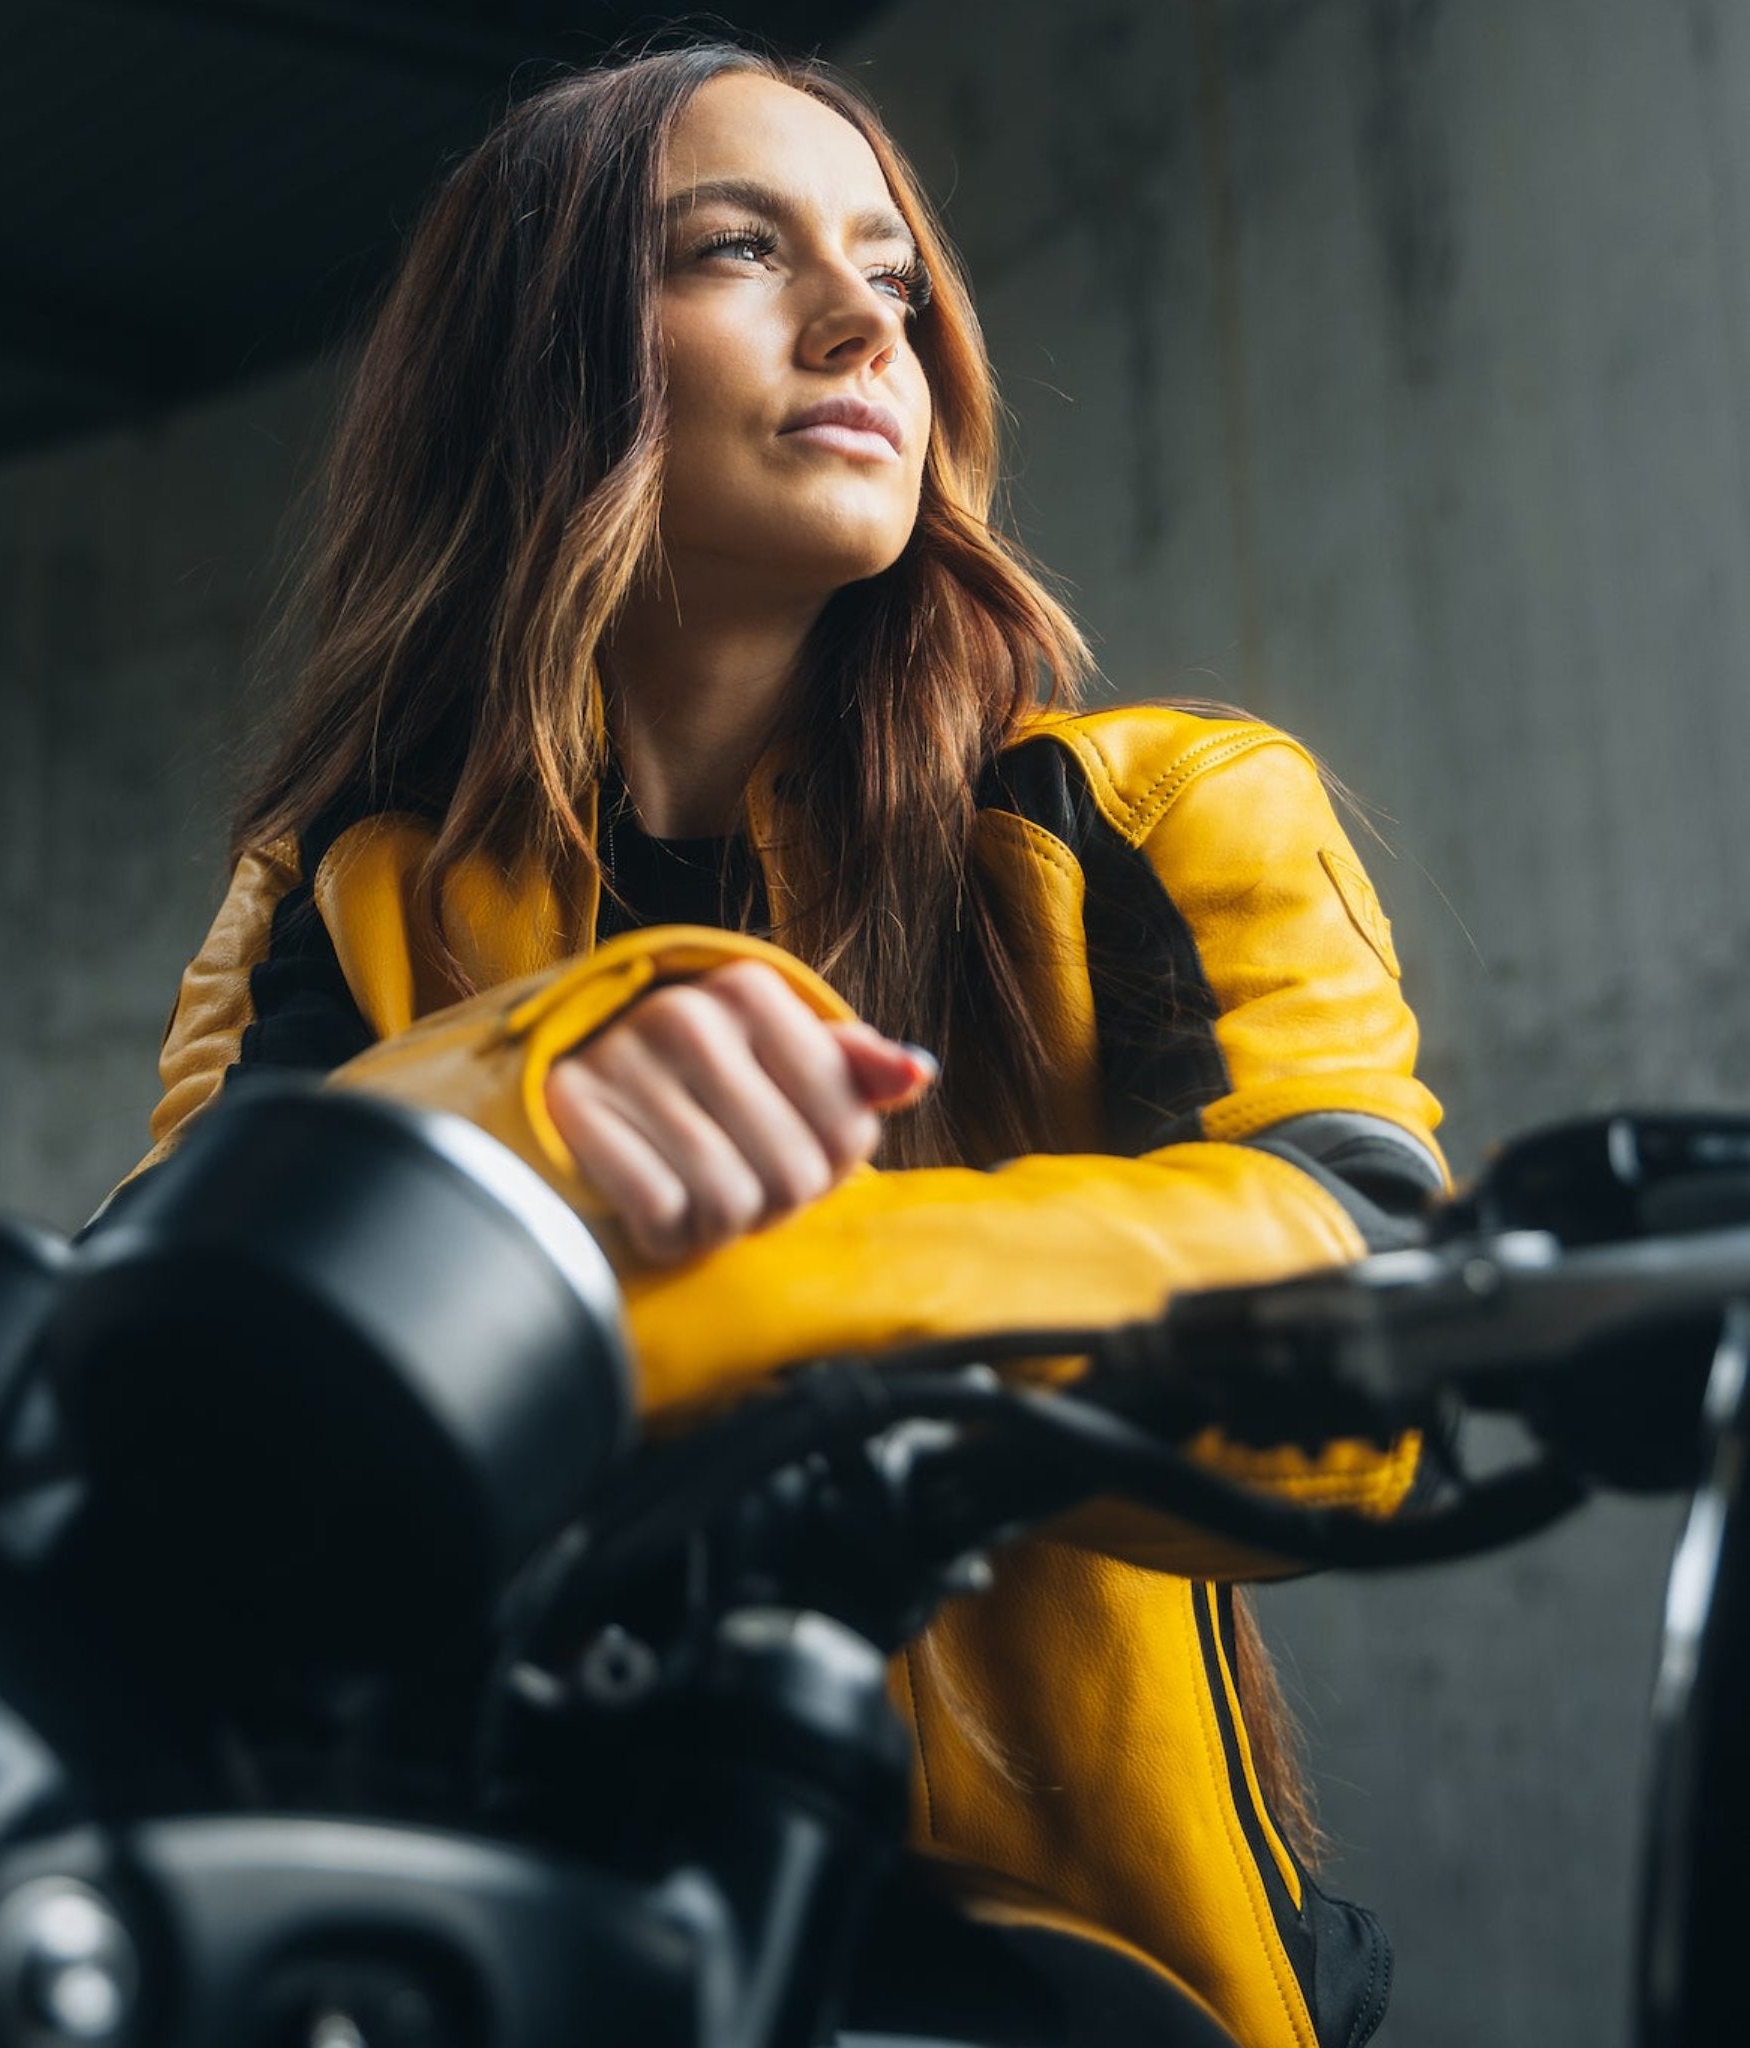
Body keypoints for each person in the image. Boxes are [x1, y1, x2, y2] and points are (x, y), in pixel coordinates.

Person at [128, 39, 1444, 2048]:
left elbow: (1367, 1344)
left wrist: (742, 1298)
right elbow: (158, 1381)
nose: (859, 322)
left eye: (893, 276)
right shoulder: (338, 899)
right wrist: (520, 1092)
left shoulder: (1172, 810)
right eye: (736, 249)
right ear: (535, 356)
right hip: (486, 1947)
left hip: (1103, 1987)